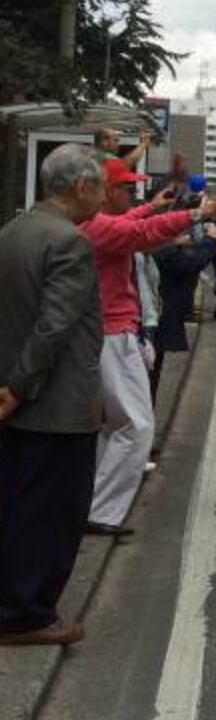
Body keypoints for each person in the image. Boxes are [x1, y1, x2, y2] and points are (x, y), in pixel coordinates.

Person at [82, 159, 216, 536]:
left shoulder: (99, 222)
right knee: (137, 427)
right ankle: (101, 511)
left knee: (115, 425)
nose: (132, 195)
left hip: (114, 331)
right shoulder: (99, 227)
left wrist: (153, 206)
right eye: (127, 189)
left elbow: (132, 222)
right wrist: (199, 212)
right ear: (105, 191)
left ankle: (93, 502)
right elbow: (141, 231)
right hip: (113, 334)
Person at [0, 145, 106, 646]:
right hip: (55, 403)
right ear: (82, 186)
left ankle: (16, 604)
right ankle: (27, 614)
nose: (102, 197)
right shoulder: (70, 242)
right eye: (100, 186)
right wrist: (19, 387)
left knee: (18, 504)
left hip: (18, 397)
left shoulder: (14, 230)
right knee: (52, 512)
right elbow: (54, 327)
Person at [151, 222, 216, 403]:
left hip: (151, 318)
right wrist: (209, 239)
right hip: (153, 320)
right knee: (150, 373)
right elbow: (194, 262)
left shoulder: (158, 247)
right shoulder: (165, 252)